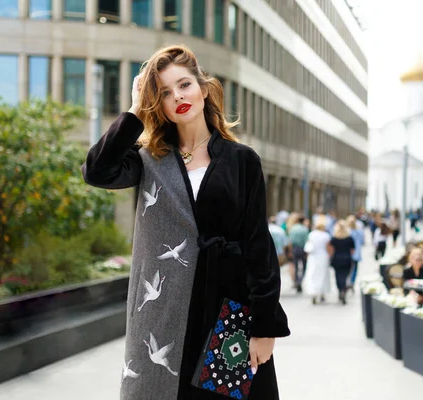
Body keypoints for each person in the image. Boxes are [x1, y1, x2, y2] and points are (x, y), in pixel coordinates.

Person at [81, 45, 290, 400]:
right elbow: (98, 171)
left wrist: (265, 326)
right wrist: (134, 110)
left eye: (184, 85)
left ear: (203, 89)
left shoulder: (242, 160)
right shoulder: (150, 160)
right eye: (164, 92)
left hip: (228, 309)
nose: (177, 96)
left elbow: (259, 246)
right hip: (167, 314)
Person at [303, 216, 333, 305]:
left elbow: (308, 246)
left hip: (313, 257)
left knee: (313, 274)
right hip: (323, 256)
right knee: (323, 275)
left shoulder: (311, 234)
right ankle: (322, 293)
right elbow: (328, 248)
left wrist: (308, 257)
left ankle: (314, 293)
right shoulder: (326, 235)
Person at [327, 221, 355, 304]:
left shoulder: (334, 238)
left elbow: (330, 249)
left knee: (338, 276)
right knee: (345, 276)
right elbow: (353, 250)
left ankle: (341, 289)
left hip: (337, 259)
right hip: (347, 259)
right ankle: (343, 288)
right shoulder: (349, 238)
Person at [288, 214, 309, 293]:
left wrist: (290, 251)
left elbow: (290, 241)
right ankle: (300, 280)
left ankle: (296, 281)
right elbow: (306, 240)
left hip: (295, 248)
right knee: (304, 266)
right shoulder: (305, 229)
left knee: (296, 266)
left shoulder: (293, 229)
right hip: (303, 249)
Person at [346, 215, 363, 292]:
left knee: (348, 269)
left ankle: (348, 282)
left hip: (348, 254)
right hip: (356, 253)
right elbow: (362, 241)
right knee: (355, 269)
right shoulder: (359, 232)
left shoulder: (347, 232)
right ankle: (352, 282)